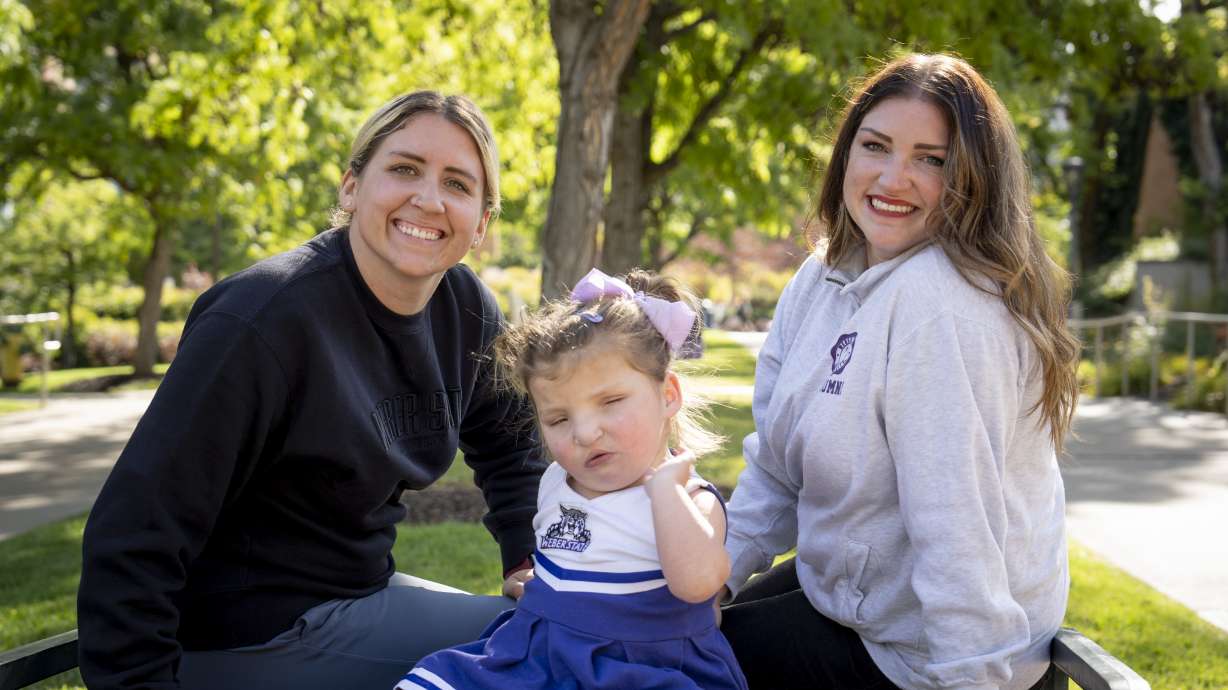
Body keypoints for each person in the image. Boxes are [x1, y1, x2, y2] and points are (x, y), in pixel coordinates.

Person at [76, 91, 547, 690]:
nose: (428, 199)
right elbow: (134, 528)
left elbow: (511, 445)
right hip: (249, 633)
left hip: (360, 594)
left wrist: (528, 557)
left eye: (457, 183)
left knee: (560, 622)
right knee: (549, 646)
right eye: (404, 169)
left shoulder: (464, 308)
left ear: (481, 222)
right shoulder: (262, 319)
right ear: (351, 187)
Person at [719, 53, 1080, 690]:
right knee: (657, 629)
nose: (893, 177)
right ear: (846, 153)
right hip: (855, 598)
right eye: (876, 146)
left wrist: (970, 680)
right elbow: (775, 469)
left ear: (974, 177)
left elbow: (958, 533)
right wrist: (709, 578)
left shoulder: (943, 307)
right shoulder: (822, 276)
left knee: (666, 666)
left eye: (930, 159)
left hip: (924, 655)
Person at [397, 268, 749, 690]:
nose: (583, 433)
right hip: (540, 652)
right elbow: (568, 556)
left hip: (641, 667)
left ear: (667, 395)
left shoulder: (690, 498)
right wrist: (540, 583)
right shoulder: (555, 481)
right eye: (559, 418)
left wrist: (667, 493)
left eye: (611, 401)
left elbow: (698, 587)